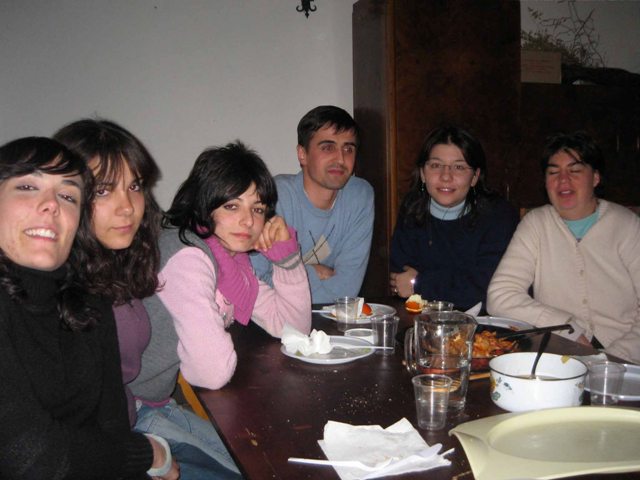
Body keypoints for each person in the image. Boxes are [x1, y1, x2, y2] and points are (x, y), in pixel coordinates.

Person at [54, 118, 238, 478]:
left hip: (141, 413)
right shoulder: (60, 287)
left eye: (134, 186)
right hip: (117, 441)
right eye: (103, 191)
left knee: (250, 461)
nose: (127, 206)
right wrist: (144, 456)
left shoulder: (119, 262)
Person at [0, 137, 177, 479]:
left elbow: (111, 421)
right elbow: (29, 456)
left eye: (68, 196)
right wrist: (147, 453)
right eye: (27, 186)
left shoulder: (88, 300)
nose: (51, 205)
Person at [128, 141, 311, 462]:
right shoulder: (187, 255)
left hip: (158, 404)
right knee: (254, 464)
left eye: (258, 209)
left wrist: (286, 258)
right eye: (231, 206)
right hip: (130, 413)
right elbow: (211, 372)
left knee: (260, 459)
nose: (248, 221)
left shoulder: (231, 261)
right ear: (204, 203)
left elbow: (293, 328)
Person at [487, 131, 640, 364]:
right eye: (553, 172)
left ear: (595, 178)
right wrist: (566, 327)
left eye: (575, 170)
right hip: (561, 356)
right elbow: (500, 296)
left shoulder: (627, 225)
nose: (563, 180)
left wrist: (614, 358)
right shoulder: (536, 224)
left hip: (627, 360)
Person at [251, 106, 374, 304]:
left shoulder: (360, 196)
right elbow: (256, 280)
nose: (340, 158)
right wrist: (316, 272)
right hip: (273, 317)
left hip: (332, 316)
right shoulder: (274, 195)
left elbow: (347, 290)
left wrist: (290, 277)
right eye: (328, 147)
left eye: (348, 149)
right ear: (302, 154)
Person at [389, 125, 519, 311]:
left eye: (459, 167)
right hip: (423, 319)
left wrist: (420, 283)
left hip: (486, 322)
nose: (446, 176)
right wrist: (454, 282)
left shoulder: (499, 215)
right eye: (436, 165)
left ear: (475, 177)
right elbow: (399, 278)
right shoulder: (412, 208)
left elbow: (488, 288)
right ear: (423, 173)